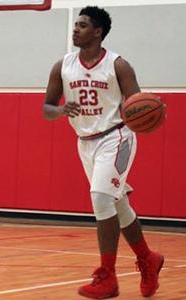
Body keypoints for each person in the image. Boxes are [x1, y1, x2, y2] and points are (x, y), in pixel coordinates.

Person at [43, 6, 164, 299]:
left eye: (82, 25)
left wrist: (150, 110)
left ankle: (107, 276)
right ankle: (148, 258)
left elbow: (136, 104)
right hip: (85, 142)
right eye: (75, 25)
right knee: (118, 206)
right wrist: (60, 111)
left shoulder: (118, 65)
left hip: (117, 136)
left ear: (97, 32)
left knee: (100, 198)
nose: (75, 29)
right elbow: (47, 108)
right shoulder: (62, 65)